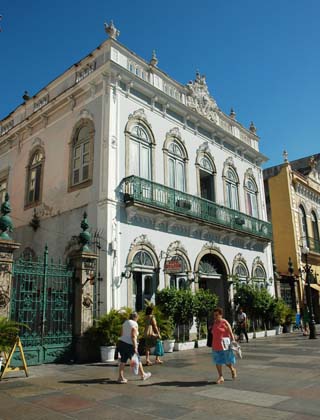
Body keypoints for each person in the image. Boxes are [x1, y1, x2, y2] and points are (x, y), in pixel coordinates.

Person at [117, 312, 151, 384]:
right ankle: (143, 375)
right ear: (136, 317)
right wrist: (135, 347)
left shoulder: (125, 323)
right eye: (138, 318)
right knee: (137, 359)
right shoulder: (134, 324)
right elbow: (133, 336)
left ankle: (120, 377)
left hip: (122, 343)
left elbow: (121, 334)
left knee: (123, 361)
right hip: (130, 345)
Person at [211, 307, 237, 384]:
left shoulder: (224, 322)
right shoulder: (214, 323)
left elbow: (230, 332)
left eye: (216, 315)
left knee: (227, 361)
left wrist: (233, 342)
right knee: (217, 361)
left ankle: (232, 369)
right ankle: (221, 376)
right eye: (214, 315)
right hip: (215, 345)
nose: (215, 317)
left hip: (224, 346)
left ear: (220, 315)